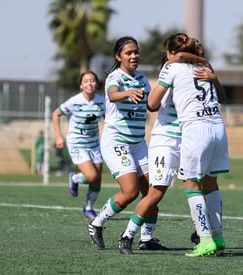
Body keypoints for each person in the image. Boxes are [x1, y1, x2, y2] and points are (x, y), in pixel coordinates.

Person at [120, 33, 229, 257]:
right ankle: (128, 236)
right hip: (169, 139)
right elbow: (154, 104)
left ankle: (207, 237)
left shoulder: (175, 68)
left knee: (196, 185)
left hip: (192, 134)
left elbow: (151, 104)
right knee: (158, 191)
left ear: (171, 53)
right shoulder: (201, 67)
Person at [87, 36, 166, 251]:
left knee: (153, 191)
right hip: (116, 142)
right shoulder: (115, 77)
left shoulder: (141, 78)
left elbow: (151, 105)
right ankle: (96, 223)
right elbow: (112, 95)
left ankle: (146, 239)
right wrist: (127, 93)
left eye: (136, 52)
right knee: (130, 191)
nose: (134, 56)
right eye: (128, 53)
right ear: (118, 56)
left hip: (138, 143)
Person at [52, 70, 105, 220]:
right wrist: (58, 136)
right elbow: (56, 114)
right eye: (86, 81)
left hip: (94, 144)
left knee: (97, 179)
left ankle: (88, 208)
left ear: (96, 84)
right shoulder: (74, 102)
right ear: (81, 85)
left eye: (93, 81)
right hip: (77, 144)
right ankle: (74, 178)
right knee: (91, 176)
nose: (90, 83)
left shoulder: (102, 102)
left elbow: (110, 119)